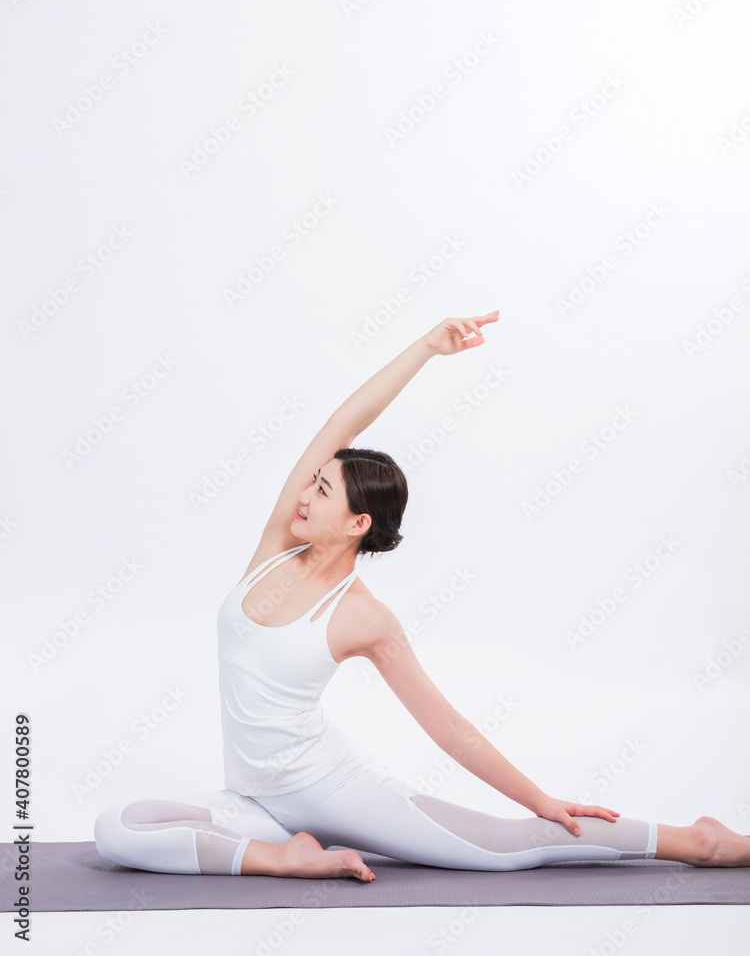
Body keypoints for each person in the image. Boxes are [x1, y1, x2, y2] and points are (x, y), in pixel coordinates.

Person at [94, 311, 750, 882]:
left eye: (321, 491)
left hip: (333, 793)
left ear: (356, 524)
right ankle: (284, 858)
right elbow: (341, 420)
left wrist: (540, 799)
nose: (302, 494)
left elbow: (448, 728)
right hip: (255, 803)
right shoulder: (276, 548)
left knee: (513, 849)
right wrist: (425, 348)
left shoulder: (362, 616)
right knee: (119, 828)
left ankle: (701, 841)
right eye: (311, 481)